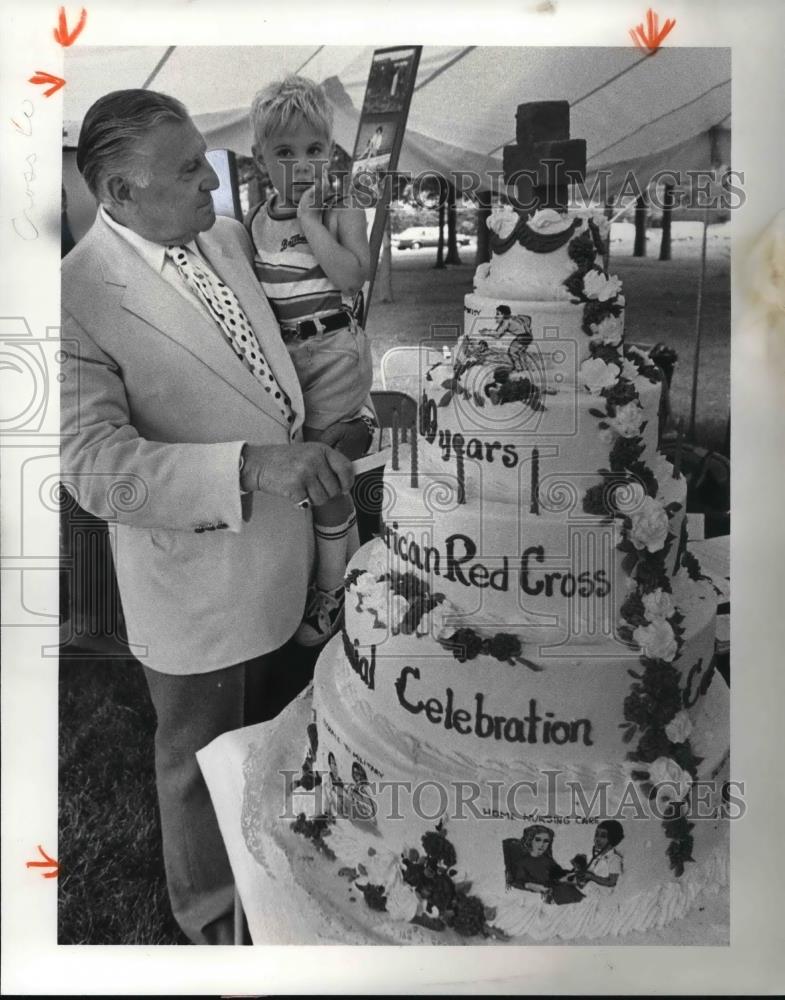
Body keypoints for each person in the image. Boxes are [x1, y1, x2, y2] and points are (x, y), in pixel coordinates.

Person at [60, 88, 361, 945]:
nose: (212, 184)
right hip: (198, 585)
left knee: (278, 739)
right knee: (198, 762)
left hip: (290, 550)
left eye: (207, 160)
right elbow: (95, 468)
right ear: (118, 192)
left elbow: (294, 346)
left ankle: (283, 886)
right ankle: (214, 924)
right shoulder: (72, 298)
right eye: (189, 169)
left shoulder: (226, 239)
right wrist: (255, 465)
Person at [247, 75, 374, 647]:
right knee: (317, 474)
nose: (303, 163)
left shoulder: (341, 204)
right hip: (287, 359)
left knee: (322, 469)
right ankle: (350, 566)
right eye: (286, 152)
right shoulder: (255, 221)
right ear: (260, 159)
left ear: (332, 153)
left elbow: (352, 274)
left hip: (332, 352)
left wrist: (310, 223)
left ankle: (330, 593)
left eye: (315, 150)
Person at [573, 820, 625, 894]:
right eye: (596, 834)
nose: (597, 839)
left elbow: (611, 882)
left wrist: (591, 877)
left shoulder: (614, 859)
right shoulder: (596, 857)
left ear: (612, 839)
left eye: (603, 836)